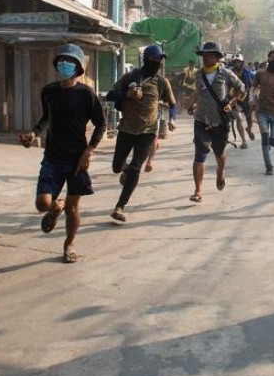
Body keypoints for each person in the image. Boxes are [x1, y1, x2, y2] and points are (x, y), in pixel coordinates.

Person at [18, 44, 105, 263]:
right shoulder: (48, 91)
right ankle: (55, 207)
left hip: (77, 159)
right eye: (62, 61)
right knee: (42, 203)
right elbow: (46, 118)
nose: (65, 64)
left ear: (78, 67)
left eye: (70, 61)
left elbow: (101, 123)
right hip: (53, 157)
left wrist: (89, 150)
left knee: (73, 208)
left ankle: (69, 245)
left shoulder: (86, 94)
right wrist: (33, 133)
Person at [105, 44, 176, 223]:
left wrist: (172, 119)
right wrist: (127, 95)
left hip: (148, 132)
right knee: (116, 166)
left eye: (161, 60)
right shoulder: (130, 77)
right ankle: (126, 171)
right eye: (156, 59)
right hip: (126, 129)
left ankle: (120, 206)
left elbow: (172, 104)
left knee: (136, 168)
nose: (159, 63)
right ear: (146, 59)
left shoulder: (162, 82)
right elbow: (110, 95)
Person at [187, 42, 245, 202]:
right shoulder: (199, 74)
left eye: (210, 55)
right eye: (204, 55)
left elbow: (241, 88)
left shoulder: (225, 73)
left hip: (219, 120)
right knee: (199, 154)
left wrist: (231, 103)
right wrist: (191, 103)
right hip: (201, 119)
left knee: (219, 152)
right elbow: (198, 92)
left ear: (217, 57)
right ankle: (198, 191)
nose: (206, 58)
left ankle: (221, 171)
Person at [228, 52, 256, 148]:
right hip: (234, 100)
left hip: (246, 99)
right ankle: (244, 141)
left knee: (249, 118)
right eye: (235, 62)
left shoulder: (249, 74)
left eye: (239, 62)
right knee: (239, 118)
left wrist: (253, 96)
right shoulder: (229, 73)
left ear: (242, 62)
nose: (237, 64)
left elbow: (255, 85)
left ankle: (249, 129)